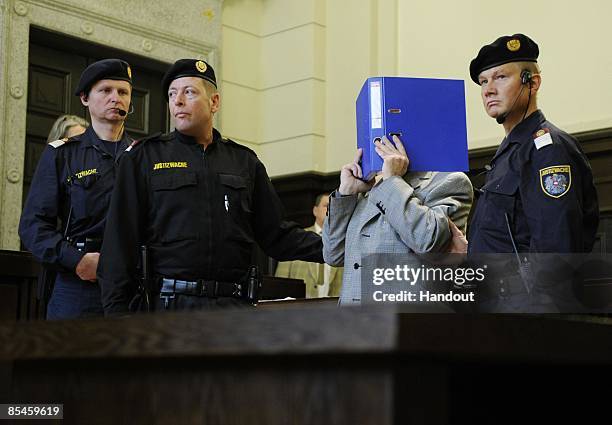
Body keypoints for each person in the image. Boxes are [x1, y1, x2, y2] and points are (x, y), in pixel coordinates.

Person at [97, 59, 323, 315]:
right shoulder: (145, 157)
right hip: (169, 310)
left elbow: (278, 235)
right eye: (172, 94)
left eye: (189, 92)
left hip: (233, 310)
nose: (178, 101)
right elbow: (119, 245)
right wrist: (116, 318)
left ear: (214, 102)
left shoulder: (243, 161)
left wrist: (339, 246)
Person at [467, 34, 599, 311]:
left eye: (501, 77)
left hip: (524, 318)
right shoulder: (509, 153)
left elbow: (556, 254)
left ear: (532, 82)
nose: (488, 89)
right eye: (483, 81)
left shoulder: (547, 150)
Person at [19, 59, 134, 319]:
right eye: (105, 90)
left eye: (123, 92)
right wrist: (77, 261)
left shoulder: (141, 156)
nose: (115, 98)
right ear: (85, 98)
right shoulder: (62, 154)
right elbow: (33, 226)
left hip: (130, 288)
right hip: (78, 285)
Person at [322, 136, 473, 306]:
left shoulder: (449, 181)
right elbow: (333, 255)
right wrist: (346, 193)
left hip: (405, 322)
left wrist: (392, 180)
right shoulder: (367, 189)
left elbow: (428, 242)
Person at [275, 193, 343, 298]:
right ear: (315, 211)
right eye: (326, 206)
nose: (330, 210)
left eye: (333, 206)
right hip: (299, 310)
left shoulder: (341, 243)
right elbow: (280, 281)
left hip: (331, 310)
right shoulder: (296, 238)